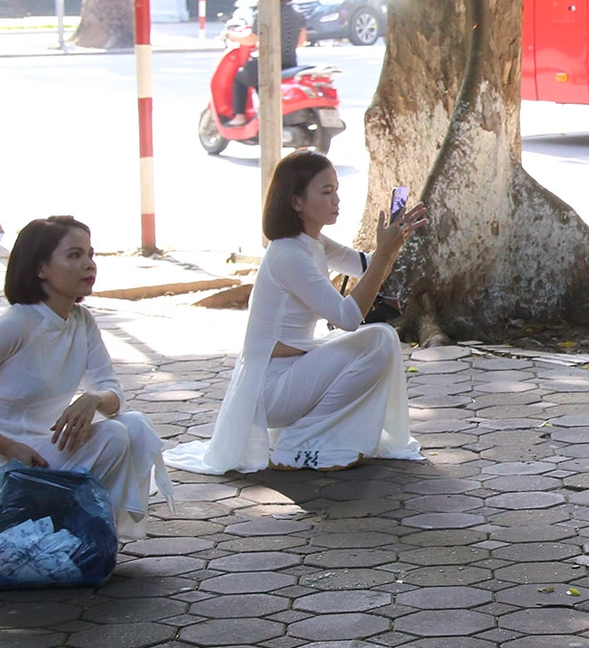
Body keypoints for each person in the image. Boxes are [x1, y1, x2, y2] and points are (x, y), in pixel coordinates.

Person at [0, 217, 172, 578]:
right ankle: (60, 534)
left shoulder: (81, 321)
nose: (89, 265)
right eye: (74, 255)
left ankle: (73, 535)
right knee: (114, 434)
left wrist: (91, 400)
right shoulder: (17, 323)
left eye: (91, 255)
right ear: (41, 268)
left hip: (46, 456)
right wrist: (7, 445)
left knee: (131, 427)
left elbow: (112, 390)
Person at [166, 151, 429, 475]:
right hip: (270, 390)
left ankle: (310, 439)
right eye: (326, 191)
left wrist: (394, 240)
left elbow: (365, 265)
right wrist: (384, 255)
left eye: (335, 189)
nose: (336, 199)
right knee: (378, 339)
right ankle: (299, 445)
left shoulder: (312, 242)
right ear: (296, 202)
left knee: (381, 339)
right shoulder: (288, 253)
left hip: (296, 372)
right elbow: (348, 318)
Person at [227, 0, 306, 127]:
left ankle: (240, 117)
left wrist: (233, 36)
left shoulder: (265, 12)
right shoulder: (298, 13)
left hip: (266, 64)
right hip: (290, 64)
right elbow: (301, 41)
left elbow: (252, 38)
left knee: (240, 79)